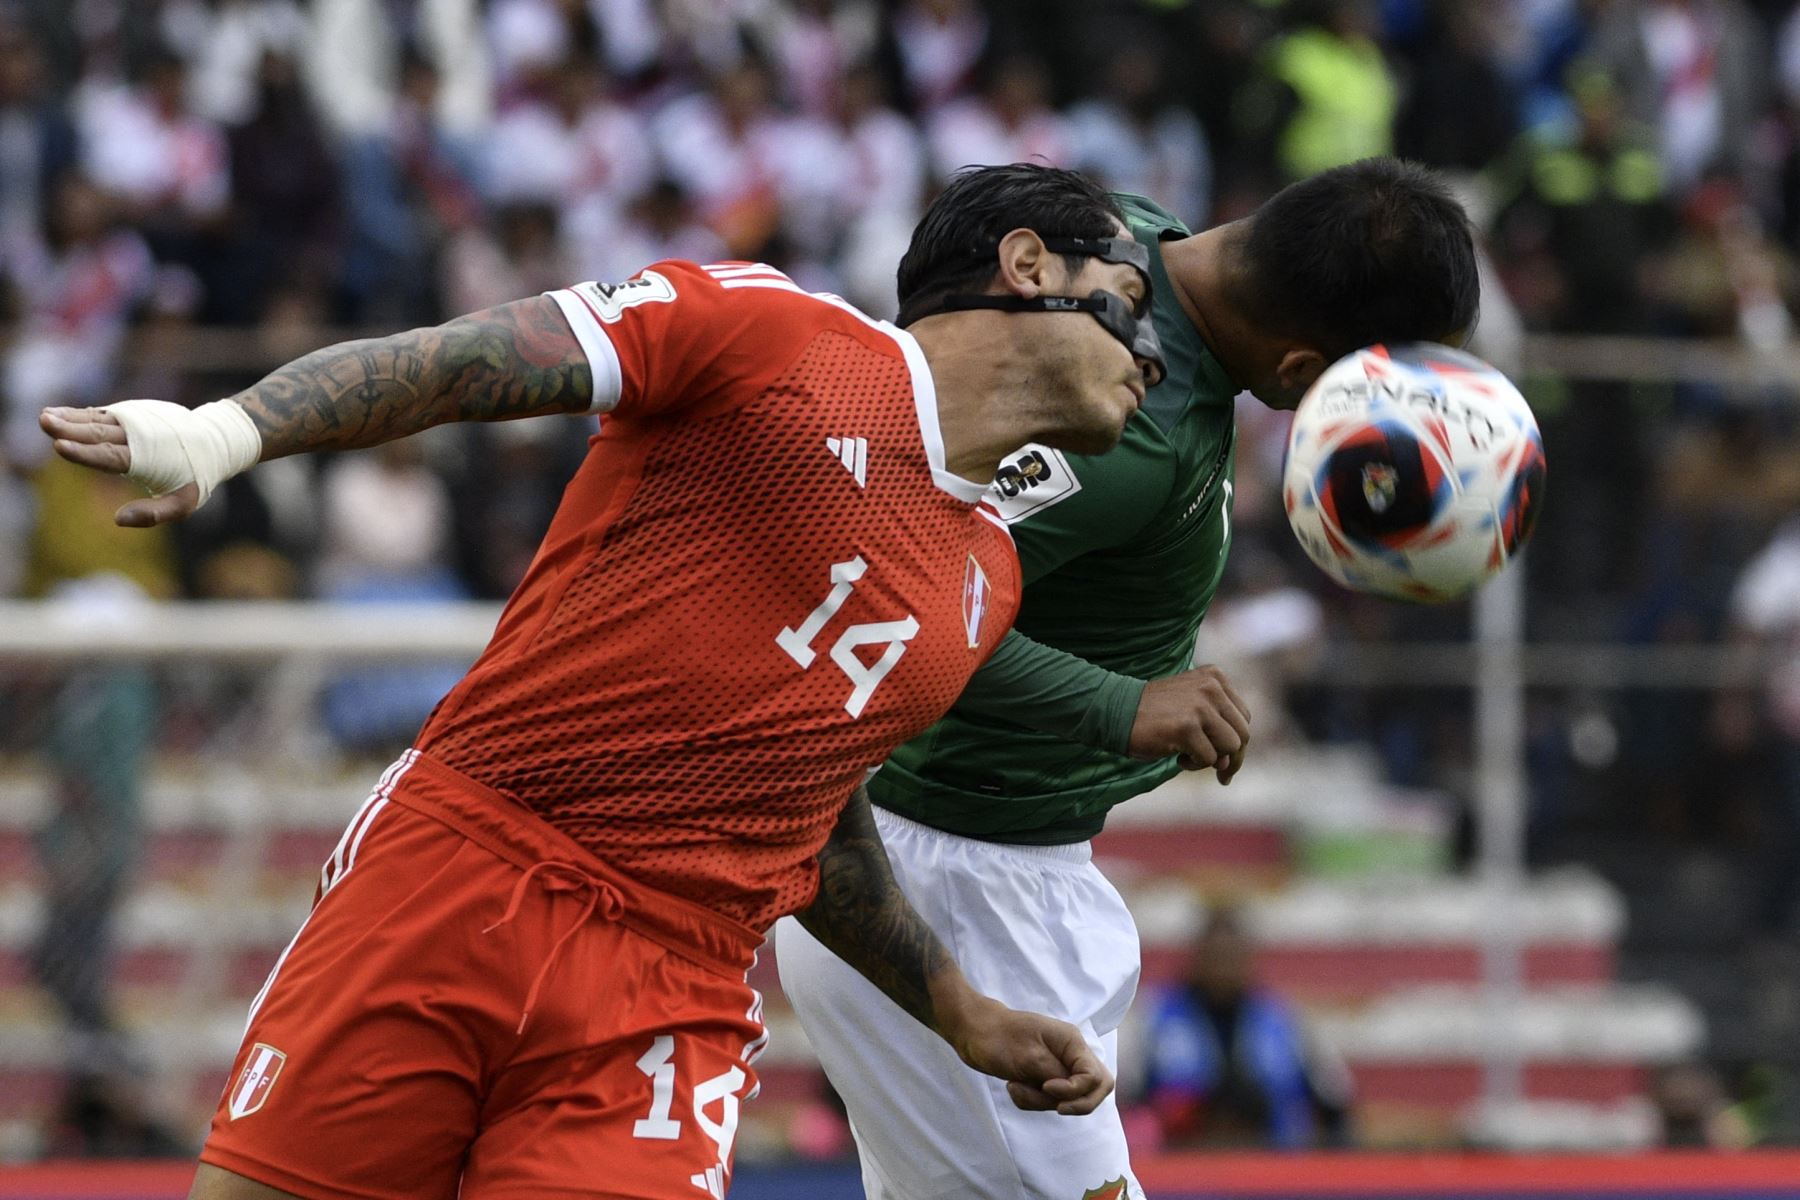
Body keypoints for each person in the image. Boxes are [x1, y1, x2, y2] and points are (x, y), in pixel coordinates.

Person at [40, 162, 1162, 1200]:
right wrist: (228, 430)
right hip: (467, 864)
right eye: (1128, 298)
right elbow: (467, 360)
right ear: (1028, 269)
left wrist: (963, 1014)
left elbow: (809, 799)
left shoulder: (987, 574)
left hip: (674, 984)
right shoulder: (776, 332)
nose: (1152, 358)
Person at [776, 156, 1479, 1199]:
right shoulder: (1118, 437)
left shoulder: (1134, 234)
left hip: (1005, 871)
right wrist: (1123, 703)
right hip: (959, 889)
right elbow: (882, 610)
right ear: (1296, 370)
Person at [1140, 905, 1352, 1150]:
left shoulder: (1284, 1020)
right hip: (1183, 1162)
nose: (1223, 968)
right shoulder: (1156, 1019)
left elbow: (1335, 1105)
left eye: (1231, 956)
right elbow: (1129, 1102)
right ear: (1196, 958)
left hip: (1273, 1161)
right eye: (1215, 956)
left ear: (1248, 958)